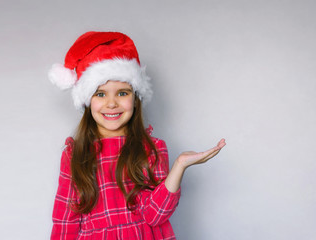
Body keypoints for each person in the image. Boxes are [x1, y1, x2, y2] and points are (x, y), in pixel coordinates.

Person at [48, 31, 226, 240]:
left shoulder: (152, 148)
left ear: (136, 98)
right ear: (87, 100)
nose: (112, 103)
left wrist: (180, 165)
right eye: (100, 93)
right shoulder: (75, 155)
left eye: (122, 93)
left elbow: (155, 214)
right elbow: (64, 222)